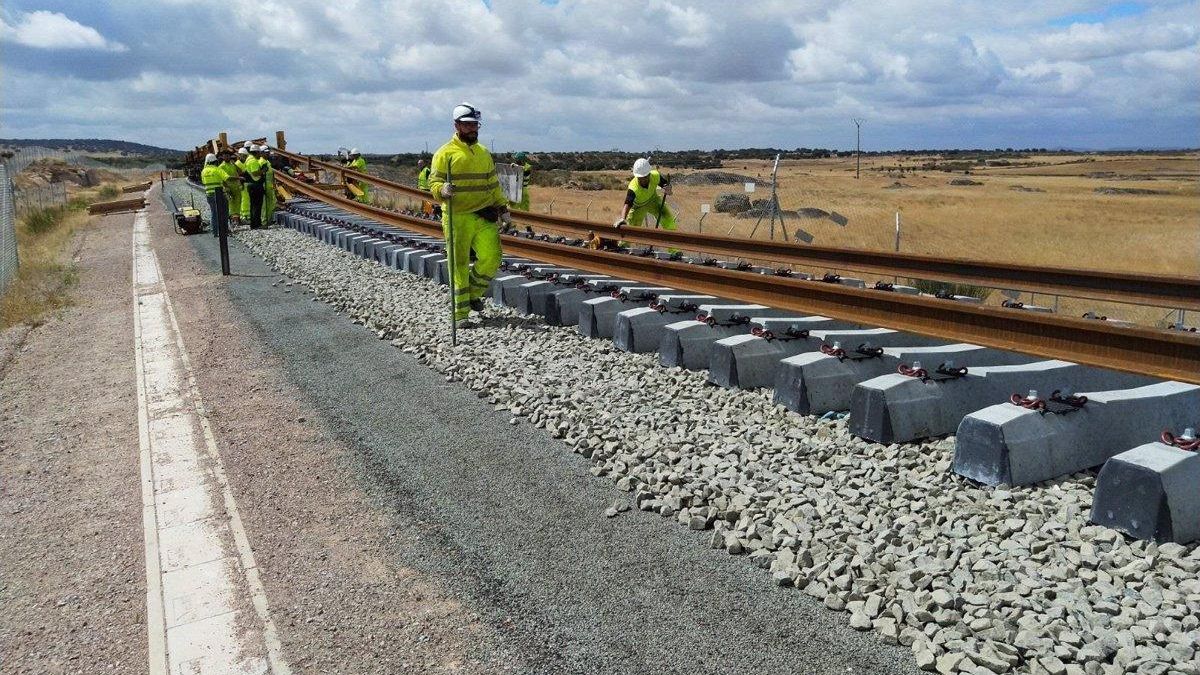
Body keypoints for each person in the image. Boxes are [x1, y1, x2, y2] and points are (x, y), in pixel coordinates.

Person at [428, 102, 512, 328]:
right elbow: (433, 183)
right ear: (457, 126)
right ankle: (460, 314)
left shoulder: (483, 153)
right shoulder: (444, 154)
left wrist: (502, 208)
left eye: (475, 125)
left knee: (492, 257)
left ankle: (473, 293)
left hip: (484, 214)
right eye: (468, 125)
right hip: (457, 217)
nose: (473, 129)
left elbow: (493, 184)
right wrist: (441, 190)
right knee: (459, 265)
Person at [614, 157, 677, 233]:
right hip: (638, 206)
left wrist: (669, 189)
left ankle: (674, 243)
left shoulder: (655, 176)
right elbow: (627, 204)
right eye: (640, 178)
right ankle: (623, 244)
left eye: (645, 177)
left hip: (653, 201)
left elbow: (666, 185)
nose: (643, 180)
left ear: (649, 173)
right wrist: (623, 219)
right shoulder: (633, 187)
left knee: (668, 220)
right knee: (629, 231)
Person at [200, 153, 229, 238]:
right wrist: (239, 178)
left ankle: (215, 232)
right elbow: (227, 178)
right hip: (219, 194)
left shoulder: (203, 171)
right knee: (224, 212)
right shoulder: (217, 169)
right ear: (215, 161)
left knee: (214, 213)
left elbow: (203, 182)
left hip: (209, 194)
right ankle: (224, 231)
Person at [243, 145, 267, 230]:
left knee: (253, 206)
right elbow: (255, 173)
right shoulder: (253, 161)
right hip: (256, 185)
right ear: (256, 152)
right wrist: (263, 171)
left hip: (252, 185)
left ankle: (254, 224)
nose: (260, 154)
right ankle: (257, 224)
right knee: (257, 206)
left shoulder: (248, 159)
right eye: (259, 152)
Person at [217, 150, 243, 228]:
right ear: (222, 157)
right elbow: (225, 179)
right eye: (225, 155)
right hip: (229, 188)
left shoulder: (232, 164)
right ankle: (233, 220)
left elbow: (240, 171)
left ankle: (237, 219)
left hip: (236, 187)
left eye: (228, 155)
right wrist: (226, 188)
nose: (227, 157)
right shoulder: (221, 166)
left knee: (238, 203)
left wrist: (235, 164)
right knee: (231, 205)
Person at [257, 145, 276, 226]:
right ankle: (264, 221)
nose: (268, 154)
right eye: (266, 153)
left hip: (269, 185)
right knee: (264, 205)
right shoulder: (260, 162)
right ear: (261, 153)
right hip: (263, 185)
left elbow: (271, 174)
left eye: (268, 153)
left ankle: (268, 219)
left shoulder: (267, 162)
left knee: (271, 203)